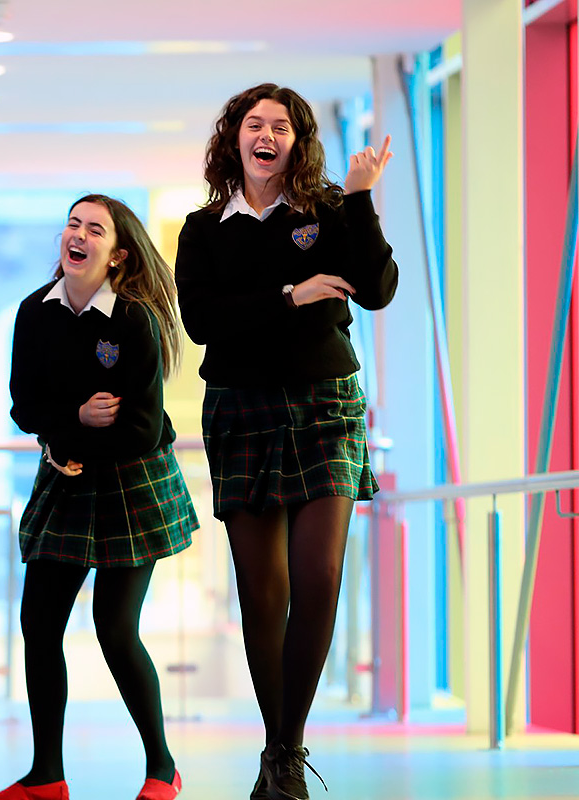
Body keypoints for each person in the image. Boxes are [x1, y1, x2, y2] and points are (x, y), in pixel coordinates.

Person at [173, 83, 398, 800]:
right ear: (234, 139)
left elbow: (377, 288)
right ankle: (278, 751)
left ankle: (286, 752)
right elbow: (204, 321)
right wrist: (290, 297)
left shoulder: (327, 211)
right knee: (262, 591)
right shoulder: (204, 229)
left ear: (298, 142)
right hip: (240, 410)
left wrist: (360, 198)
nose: (265, 135)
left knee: (319, 578)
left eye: (280, 126)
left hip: (326, 405)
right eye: (253, 124)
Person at [0, 195, 199, 800]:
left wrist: (68, 435)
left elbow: (142, 430)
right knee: (38, 624)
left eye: (94, 229)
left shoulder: (133, 320)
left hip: (133, 483)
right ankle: (45, 777)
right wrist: (75, 420)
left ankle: (163, 768)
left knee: (115, 628)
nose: (77, 235)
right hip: (67, 475)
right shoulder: (35, 312)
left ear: (117, 255)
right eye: (72, 224)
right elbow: (24, 407)